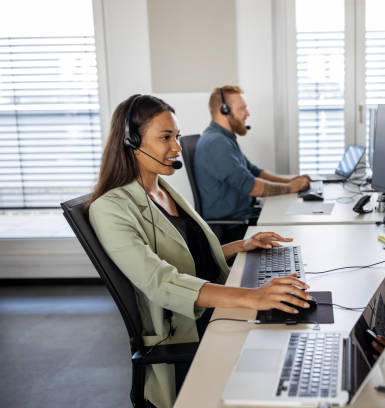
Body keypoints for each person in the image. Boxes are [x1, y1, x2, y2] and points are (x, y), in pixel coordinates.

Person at [88, 94, 312, 408]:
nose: (177, 147)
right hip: (187, 328)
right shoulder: (111, 208)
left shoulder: (161, 189)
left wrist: (241, 246)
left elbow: (187, 257)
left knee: (302, 320)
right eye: (165, 137)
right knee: (290, 342)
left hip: (213, 308)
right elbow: (161, 281)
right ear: (130, 141)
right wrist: (253, 297)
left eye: (176, 136)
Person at [193, 85, 310, 240]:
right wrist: (290, 188)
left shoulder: (224, 138)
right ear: (224, 110)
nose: (247, 114)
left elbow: (254, 171)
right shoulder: (216, 143)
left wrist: (289, 181)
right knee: (296, 233)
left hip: (243, 219)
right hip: (233, 229)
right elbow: (252, 187)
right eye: (242, 108)